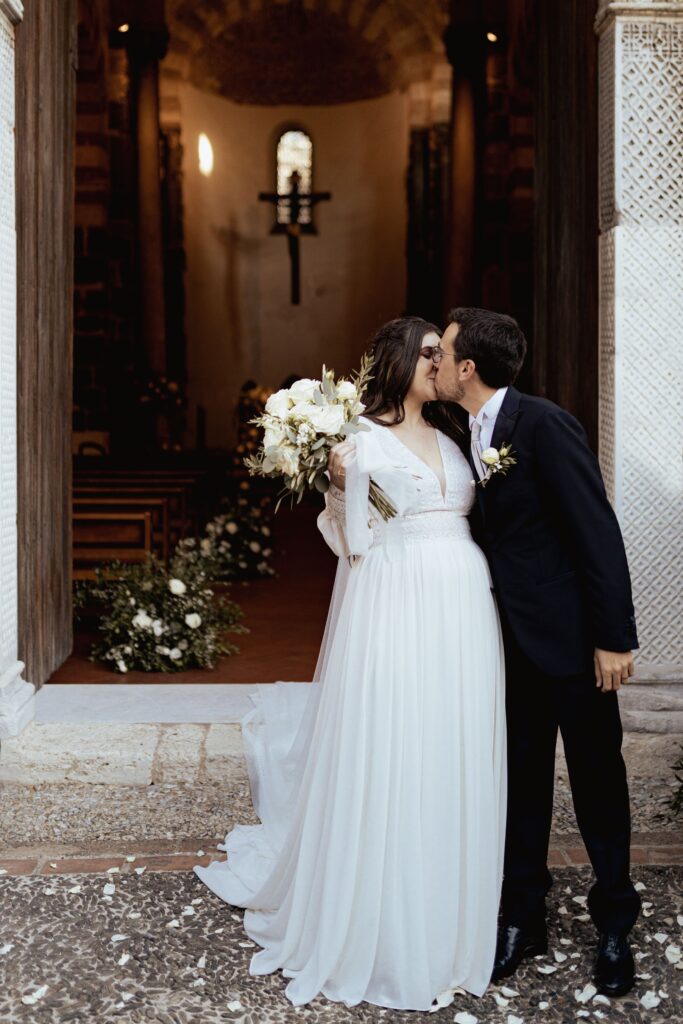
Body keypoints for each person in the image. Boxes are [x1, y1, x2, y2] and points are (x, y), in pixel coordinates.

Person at [195, 316, 507, 1010]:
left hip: (462, 610)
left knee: (447, 747)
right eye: (430, 353)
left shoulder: (456, 434)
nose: (443, 363)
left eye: (443, 353)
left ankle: (448, 908)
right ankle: (383, 918)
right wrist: (340, 484)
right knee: (394, 743)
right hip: (394, 604)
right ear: (399, 362)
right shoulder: (357, 439)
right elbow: (348, 539)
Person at [433, 307, 640, 998]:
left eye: (444, 351)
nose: (434, 360)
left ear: (468, 367)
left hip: (575, 645)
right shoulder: (457, 427)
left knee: (597, 788)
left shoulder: (544, 425)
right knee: (518, 786)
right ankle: (523, 917)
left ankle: (614, 922)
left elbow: (595, 531)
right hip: (505, 647)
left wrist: (613, 637)